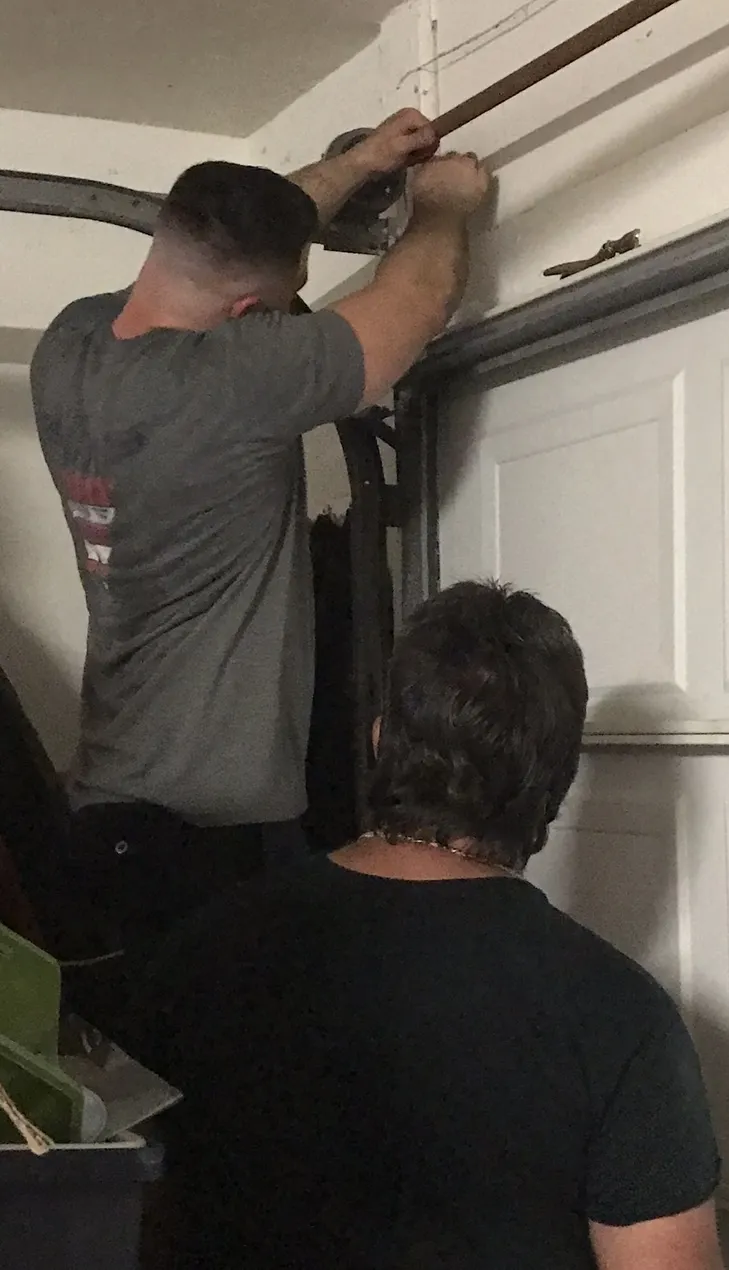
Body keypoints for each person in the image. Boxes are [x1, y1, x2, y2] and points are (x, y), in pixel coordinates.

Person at [28, 110, 489, 1019]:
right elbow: (417, 306)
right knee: (236, 1099)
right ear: (248, 319)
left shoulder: (71, 345)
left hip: (115, 811)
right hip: (207, 840)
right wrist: (442, 206)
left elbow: (235, 238)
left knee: (161, 1090)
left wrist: (360, 163)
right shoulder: (231, 380)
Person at [131, 580, 725, 1270]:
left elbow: (134, 1219)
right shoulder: (622, 1019)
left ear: (382, 739)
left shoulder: (200, 953)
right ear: (554, 784)